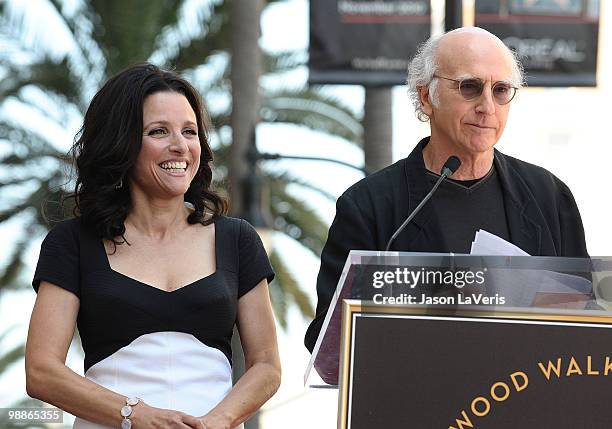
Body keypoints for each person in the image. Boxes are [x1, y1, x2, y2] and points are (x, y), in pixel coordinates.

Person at [26, 63, 281, 429]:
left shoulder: (237, 239)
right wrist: (136, 414)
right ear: (121, 143)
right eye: (159, 131)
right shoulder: (73, 243)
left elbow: (267, 366)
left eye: (190, 131)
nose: (180, 145)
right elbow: (41, 371)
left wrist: (216, 421)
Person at [305, 27, 589, 353]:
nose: (487, 106)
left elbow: (585, 322)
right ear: (427, 97)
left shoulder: (549, 196)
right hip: (420, 396)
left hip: (527, 395)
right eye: (470, 87)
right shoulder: (370, 205)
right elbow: (328, 342)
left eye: (500, 90)